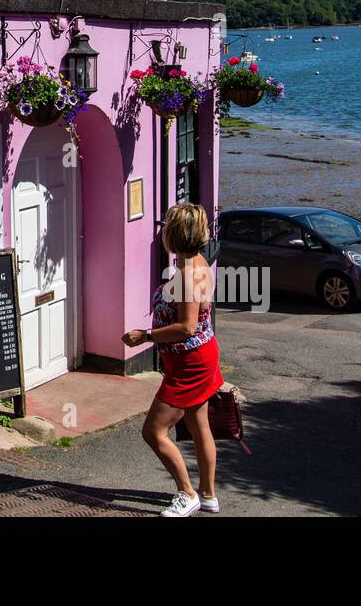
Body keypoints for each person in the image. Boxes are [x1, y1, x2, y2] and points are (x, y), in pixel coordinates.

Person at [123, 202, 224, 517]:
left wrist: (146, 336)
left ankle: (187, 493)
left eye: (166, 227)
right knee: (198, 425)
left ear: (174, 235)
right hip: (201, 356)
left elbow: (186, 327)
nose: (162, 231)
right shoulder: (196, 262)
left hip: (190, 364)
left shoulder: (188, 276)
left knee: (153, 431)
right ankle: (208, 495)